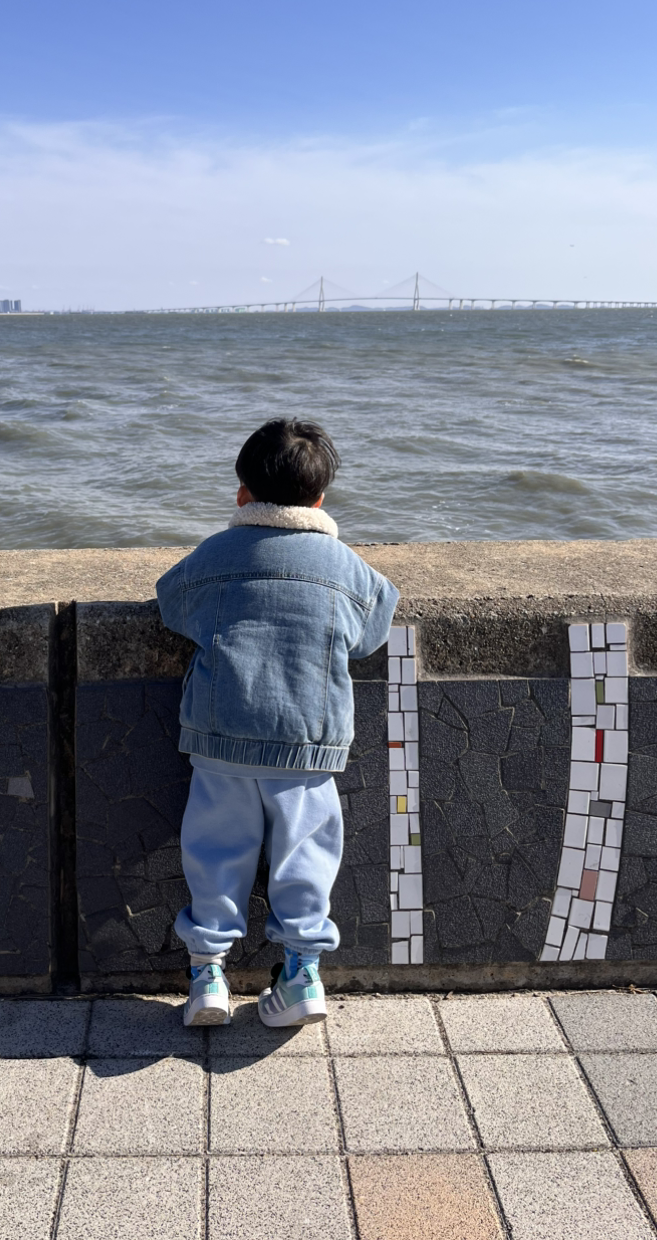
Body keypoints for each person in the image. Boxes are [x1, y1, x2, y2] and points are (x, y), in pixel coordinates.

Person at [156, 417, 399, 1028]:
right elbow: (372, 631)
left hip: (222, 735)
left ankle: (207, 975)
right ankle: (301, 975)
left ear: (243, 493)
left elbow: (171, 603)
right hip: (307, 741)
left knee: (214, 853)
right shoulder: (346, 567)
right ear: (320, 500)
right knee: (306, 858)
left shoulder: (214, 554)